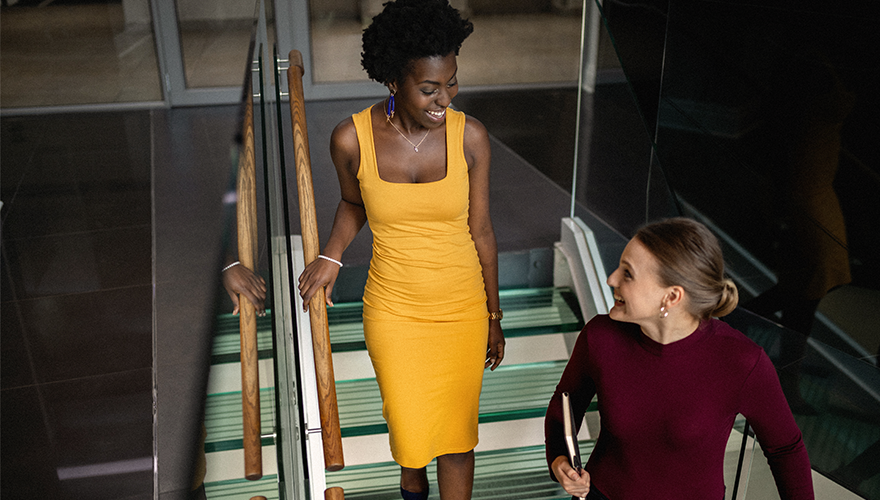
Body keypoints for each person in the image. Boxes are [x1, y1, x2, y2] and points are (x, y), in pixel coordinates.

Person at [297, 1, 505, 499]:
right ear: (393, 81)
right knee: (411, 442)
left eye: (451, 83)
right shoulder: (350, 139)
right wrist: (331, 253)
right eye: (429, 89)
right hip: (394, 311)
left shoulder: (471, 137)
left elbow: (483, 232)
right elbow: (353, 204)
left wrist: (494, 316)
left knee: (457, 440)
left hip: (461, 309)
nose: (445, 99)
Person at [544, 217, 813, 499]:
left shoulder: (742, 361)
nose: (611, 279)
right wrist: (559, 461)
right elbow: (563, 406)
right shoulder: (600, 336)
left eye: (628, 274)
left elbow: (786, 449)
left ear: (671, 296)